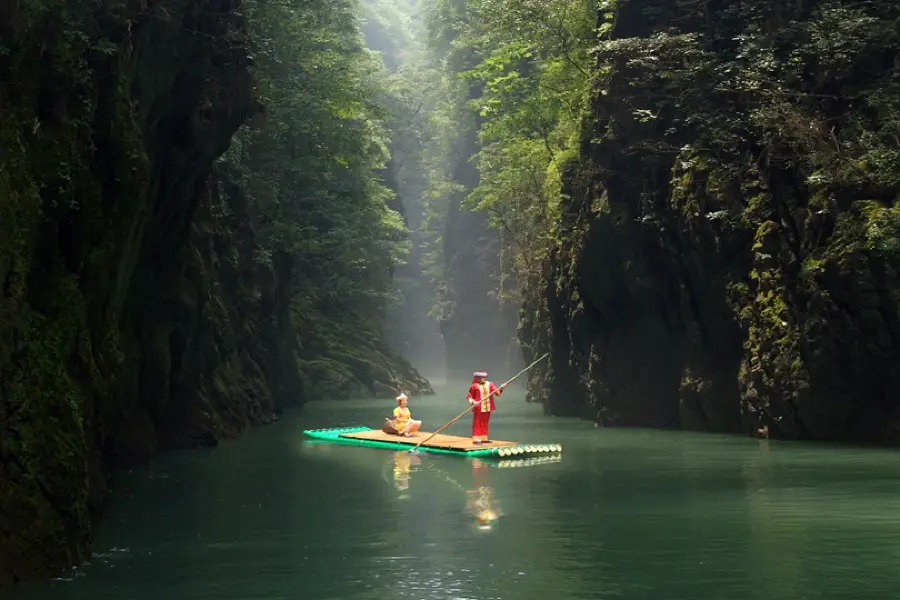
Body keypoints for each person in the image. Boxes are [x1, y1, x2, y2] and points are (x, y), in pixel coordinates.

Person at [466, 370, 504, 444]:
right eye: (481, 378)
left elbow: (497, 393)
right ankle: (476, 439)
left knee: (485, 422)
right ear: (477, 378)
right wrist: (474, 402)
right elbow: (469, 396)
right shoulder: (474, 386)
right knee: (477, 422)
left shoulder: (490, 384)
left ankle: (484, 438)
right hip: (478, 408)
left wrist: (501, 388)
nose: (483, 379)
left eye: (484, 378)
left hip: (487, 407)